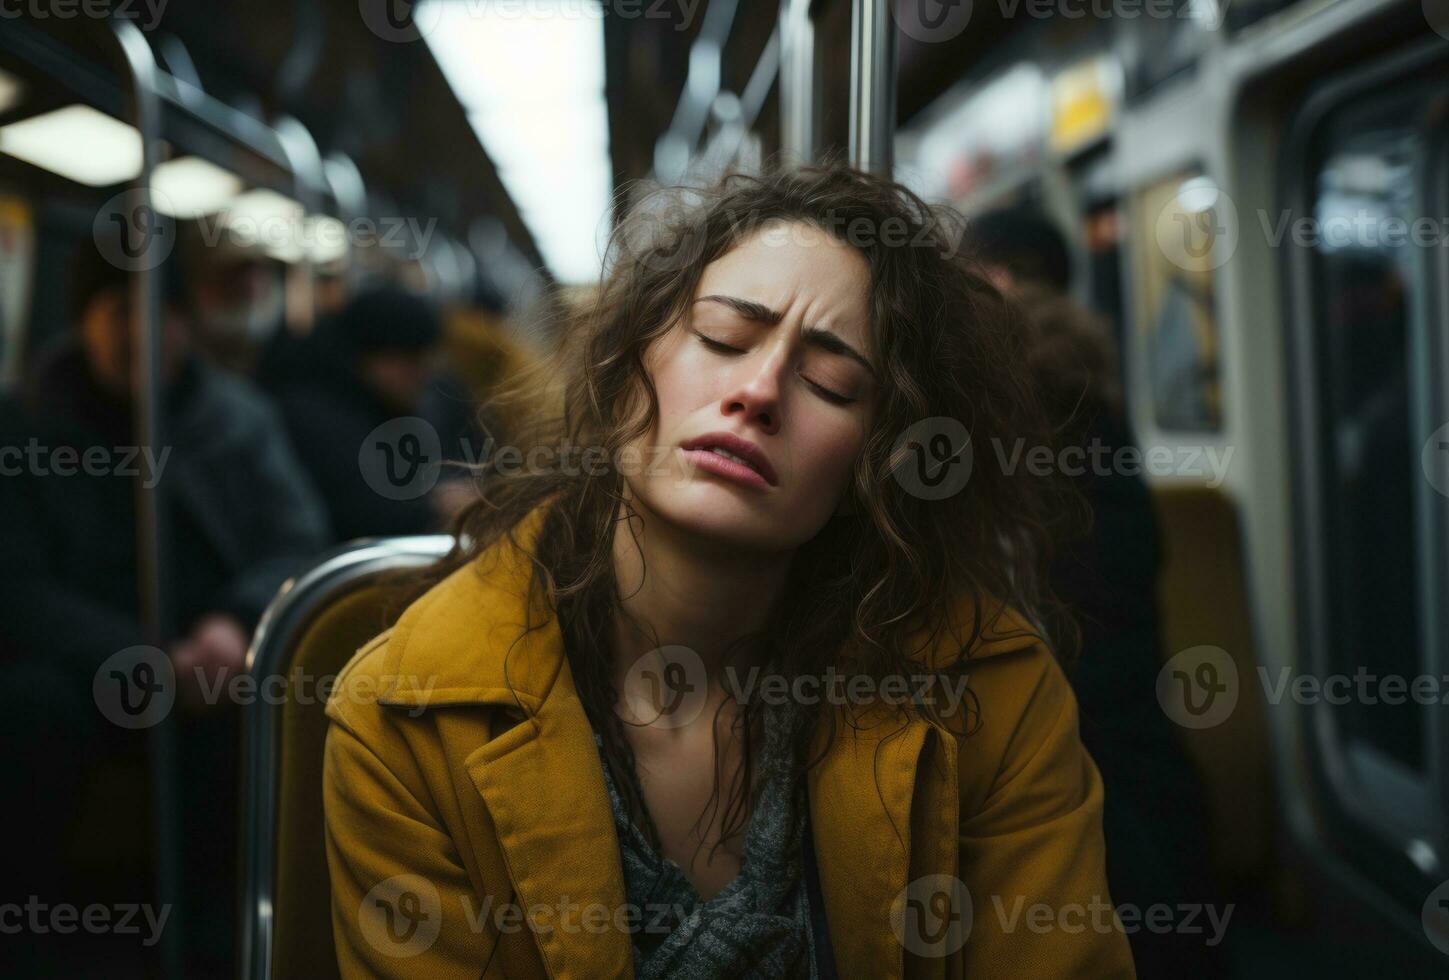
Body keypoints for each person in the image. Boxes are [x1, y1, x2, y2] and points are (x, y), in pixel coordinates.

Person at [321, 165, 1137, 979]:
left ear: (875, 468)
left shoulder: (991, 690)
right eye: (721, 338)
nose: (759, 391)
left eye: (832, 381)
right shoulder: (409, 713)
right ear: (623, 371)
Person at [0, 248, 330, 973]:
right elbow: (16, 584)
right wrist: (138, 658)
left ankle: (241, 938)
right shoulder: (23, 426)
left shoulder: (238, 421)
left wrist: (236, 621)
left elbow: (295, 540)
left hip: (216, 665)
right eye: (121, 312)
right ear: (83, 321)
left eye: (165, 313)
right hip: (84, 670)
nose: (147, 333)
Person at [964, 206, 1226, 977]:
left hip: (1071, 715)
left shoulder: (1000, 384)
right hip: (1135, 713)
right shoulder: (1089, 380)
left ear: (996, 279)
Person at [273, 282, 480, 541]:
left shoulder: (412, 403)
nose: (422, 375)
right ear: (368, 357)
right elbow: (352, 509)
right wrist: (433, 505)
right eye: (409, 361)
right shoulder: (312, 416)